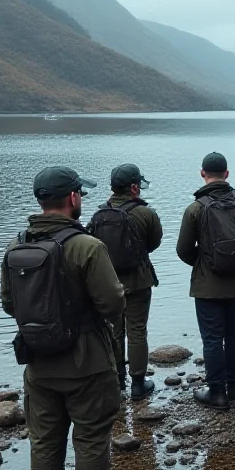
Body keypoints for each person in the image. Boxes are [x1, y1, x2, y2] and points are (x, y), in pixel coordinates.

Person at [0, 167, 125, 470]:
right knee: (90, 438)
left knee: (44, 441)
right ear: (72, 199)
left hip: (37, 362)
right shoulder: (86, 246)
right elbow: (113, 302)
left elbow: (9, 305)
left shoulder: (15, 246)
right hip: (86, 361)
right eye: (79, 195)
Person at [176, 152, 235, 410]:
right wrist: (232, 259)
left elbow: (183, 249)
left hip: (207, 285)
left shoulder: (195, 209)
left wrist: (206, 263)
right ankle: (234, 389)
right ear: (227, 174)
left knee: (212, 339)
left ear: (203, 173)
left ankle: (217, 394)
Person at [89, 164, 162, 400]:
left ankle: (117, 380)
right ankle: (138, 384)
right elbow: (154, 242)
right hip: (139, 281)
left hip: (107, 283)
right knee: (137, 330)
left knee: (114, 331)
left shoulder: (99, 214)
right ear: (133, 187)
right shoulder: (145, 213)